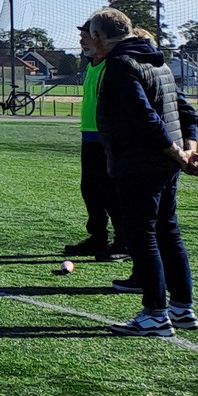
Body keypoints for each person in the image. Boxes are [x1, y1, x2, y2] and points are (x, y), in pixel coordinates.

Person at [81, 9, 198, 336]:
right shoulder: (157, 61)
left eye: (89, 35)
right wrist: (188, 150)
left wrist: (180, 153)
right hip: (165, 163)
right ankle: (181, 308)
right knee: (167, 231)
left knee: (142, 234)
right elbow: (186, 112)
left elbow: (145, 119)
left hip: (139, 163)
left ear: (99, 37)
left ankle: (154, 314)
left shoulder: (121, 65)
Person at [64, 31, 125, 262]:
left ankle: (123, 241)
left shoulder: (113, 66)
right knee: (90, 191)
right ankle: (98, 237)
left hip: (107, 137)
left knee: (111, 193)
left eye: (86, 36)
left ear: (100, 38)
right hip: (89, 136)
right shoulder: (91, 64)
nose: (81, 40)